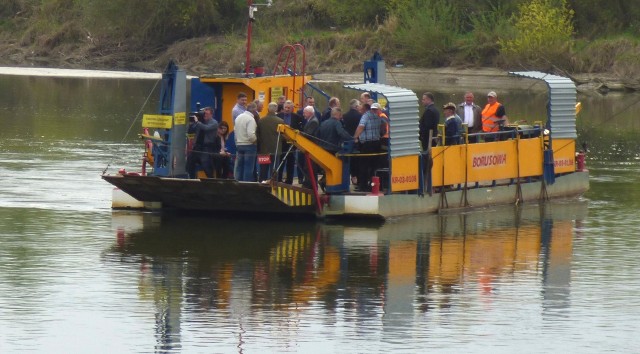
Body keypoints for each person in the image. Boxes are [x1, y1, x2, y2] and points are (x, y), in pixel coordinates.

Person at [353, 102, 383, 192]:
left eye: (361, 109)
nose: (360, 110)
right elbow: (382, 129)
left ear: (365, 109)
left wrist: (355, 137)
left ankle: (363, 186)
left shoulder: (365, 116)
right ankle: (374, 184)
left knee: (363, 165)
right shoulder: (378, 117)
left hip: (367, 144)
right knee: (374, 165)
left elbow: (361, 126)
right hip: (377, 143)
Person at [186, 107, 219, 178]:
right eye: (204, 113)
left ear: (211, 114)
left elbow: (206, 128)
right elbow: (190, 131)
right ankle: (192, 179)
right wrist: (192, 123)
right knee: (190, 163)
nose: (205, 115)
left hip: (206, 147)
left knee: (205, 165)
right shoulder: (200, 122)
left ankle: (211, 181)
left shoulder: (214, 122)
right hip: (197, 146)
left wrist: (197, 122)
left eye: (206, 113)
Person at [277, 100, 304, 184]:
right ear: (283, 107)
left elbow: (300, 130)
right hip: (281, 143)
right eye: (285, 107)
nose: (287, 109)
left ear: (292, 108)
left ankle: (289, 180)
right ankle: (279, 179)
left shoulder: (297, 117)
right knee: (280, 162)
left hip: (292, 144)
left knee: (291, 163)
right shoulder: (278, 116)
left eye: (289, 108)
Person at [257, 102, 284, 182]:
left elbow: (257, 134)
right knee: (274, 169)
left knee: (263, 170)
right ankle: (274, 185)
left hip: (264, 149)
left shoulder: (261, 120)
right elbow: (283, 135)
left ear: (268, 109)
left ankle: (262, 184)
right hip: (276, 150)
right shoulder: (281, 121)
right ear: (276, 109)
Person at [234, 102, 258, 181]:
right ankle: (245, 185)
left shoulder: (238, 117)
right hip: (249, 145)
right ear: (254, 110)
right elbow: (251, 134)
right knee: (248, 167)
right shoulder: (251, 119)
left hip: (239, 144)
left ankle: (237, 184)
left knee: (239, 167)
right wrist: (255, 141)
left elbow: (235, 131)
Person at [299, 106, 320, 188]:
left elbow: (308, 134)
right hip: (308, 147)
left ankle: (311, 185)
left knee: (310, 167)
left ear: (310, 112)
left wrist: (298, 134)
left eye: (305, 112)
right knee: (308, 166)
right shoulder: (310, 120)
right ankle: (309, 183)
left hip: (311, 147)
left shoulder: (313, 121)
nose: (303, 114)